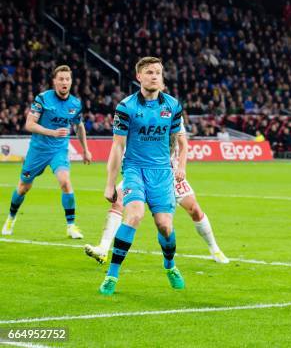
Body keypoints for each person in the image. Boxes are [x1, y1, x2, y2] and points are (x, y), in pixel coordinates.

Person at [98, 57, 185, 296]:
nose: (155, 76)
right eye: (149, 72)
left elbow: (175, 139)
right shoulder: (126, 107)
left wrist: (174, 163)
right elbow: (117, 147)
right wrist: (109, 185)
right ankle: (112, 276)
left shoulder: (173, 106)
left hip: (162, 173)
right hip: (135, 169)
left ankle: (170, 266)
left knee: (165, 226)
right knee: (134, 215)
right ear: (139, 77)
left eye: (158, 72)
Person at [85, 122, 229, 265]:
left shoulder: (172, 110)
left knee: (194, 209)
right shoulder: (135, 109)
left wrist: (182, 167)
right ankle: (103, 249)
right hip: (141, 170)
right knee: (117, 202)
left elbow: (183, 143)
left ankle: (214, 249)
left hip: (168, 172)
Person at [2, 65, 92, 238]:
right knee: (23, 187)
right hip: (38, 150)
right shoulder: (42, 99)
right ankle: (11, 218)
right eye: (61, 79)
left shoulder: (75, 103)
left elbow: (79, 126)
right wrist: (52, 132)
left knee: (65, 182)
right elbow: (29, 124)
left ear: (71, 82)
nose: (64, 82)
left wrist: (85, 150)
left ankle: (71, 226)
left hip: (59, 149)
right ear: (54, 81)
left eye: (67, 79)